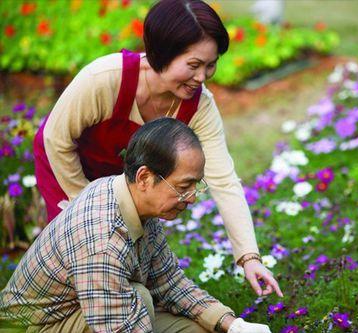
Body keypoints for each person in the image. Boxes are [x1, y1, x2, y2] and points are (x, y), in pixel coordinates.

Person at [33, 0, 283, 298]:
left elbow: (224, 180)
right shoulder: (105, 79)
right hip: (69, 171)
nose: (202, 77)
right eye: (193, 65)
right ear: (161, 53)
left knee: (128, 265)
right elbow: (56, 140)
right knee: (83, 261)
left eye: (211, 65)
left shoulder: (199, 105)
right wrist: (88, 210)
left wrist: (249, 257)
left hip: (128, 184)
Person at [1, 118, 272, 333]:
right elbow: (117, 327)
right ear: (144, 177)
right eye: (184, 187)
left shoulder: (134, 199)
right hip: (39, 326)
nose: (191, 198)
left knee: (197, 328)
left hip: (100, 309)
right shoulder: (101, 238)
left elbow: (168, 282)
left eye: (196, 186)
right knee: (140, 297)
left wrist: (231, 324)